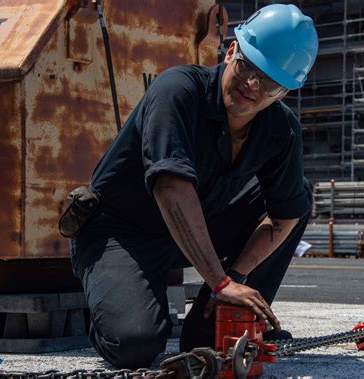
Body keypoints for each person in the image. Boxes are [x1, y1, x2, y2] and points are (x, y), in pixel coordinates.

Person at [68, 3, 318, 369]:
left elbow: (285, 214)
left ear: (284, 92)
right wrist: (218, 282)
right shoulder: (179, 91)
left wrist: (234, 278)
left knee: (297, 199)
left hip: (192, 229)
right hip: (121, 233)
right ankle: (115, 300)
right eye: (248, 67)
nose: (252, 85)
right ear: (232, 50)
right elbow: (171, 187)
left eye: (269, 82)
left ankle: (221, 321)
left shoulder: (281, 131)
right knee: (134, 345)